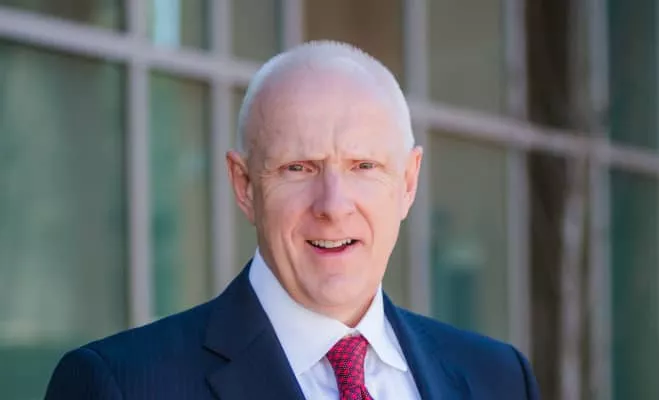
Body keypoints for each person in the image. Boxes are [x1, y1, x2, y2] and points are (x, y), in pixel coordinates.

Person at [45, 40, 539, 400]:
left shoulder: (500, 379)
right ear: (245, 185)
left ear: (408, 182)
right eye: (298, 168)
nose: (333, 205)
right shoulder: (121, 385)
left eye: (363, 166)